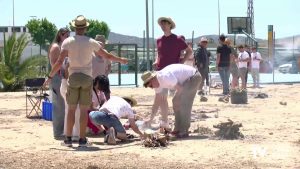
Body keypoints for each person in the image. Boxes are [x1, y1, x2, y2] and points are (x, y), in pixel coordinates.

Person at [44, 15, 128, 147]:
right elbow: (106, 55)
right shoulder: (91, 42)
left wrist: (49, 77)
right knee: (83, 111)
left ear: (74, 28)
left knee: (71, 110)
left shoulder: (67, 42)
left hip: (73, 77)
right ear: (85, 28)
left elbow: (59, 62)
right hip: (87, 78)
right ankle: (82, 139)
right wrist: (121, 60)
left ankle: (68, 139)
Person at [151, 17, 192, 129]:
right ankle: (165, 121)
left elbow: (189, 51)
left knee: (178, 98)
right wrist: (156, 60)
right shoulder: (159, 40)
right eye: (162, 24)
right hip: (161, 72)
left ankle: (180, 123)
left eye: (165, 24)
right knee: (162, 97)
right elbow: (158, 53)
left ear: (170, 25)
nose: (163, 26)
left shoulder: (177, 39)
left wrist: (182, 62)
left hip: (174, 74)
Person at [142, 64, 201, 138]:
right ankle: (177, 128)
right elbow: (156, 103)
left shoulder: (165, 77)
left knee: (184, 102)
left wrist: (176, 98)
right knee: (176, 102)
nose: (152, 87)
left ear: (153, 78)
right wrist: (150, 119)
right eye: (150, 87)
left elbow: (180, 88)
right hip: (186, 81)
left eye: (150, 85)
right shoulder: (157, 83)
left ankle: (184, 130)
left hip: (194, 77)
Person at [48, 27, 69, 139]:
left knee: (63, 105)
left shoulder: (64, 47)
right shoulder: (56, 47)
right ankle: (57, 132)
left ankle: (63, 130)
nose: (68, 37)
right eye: (66, 35)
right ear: (61, 34)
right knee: (58, 106)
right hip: (57, 78)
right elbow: (54, 64)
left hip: (63, 78)